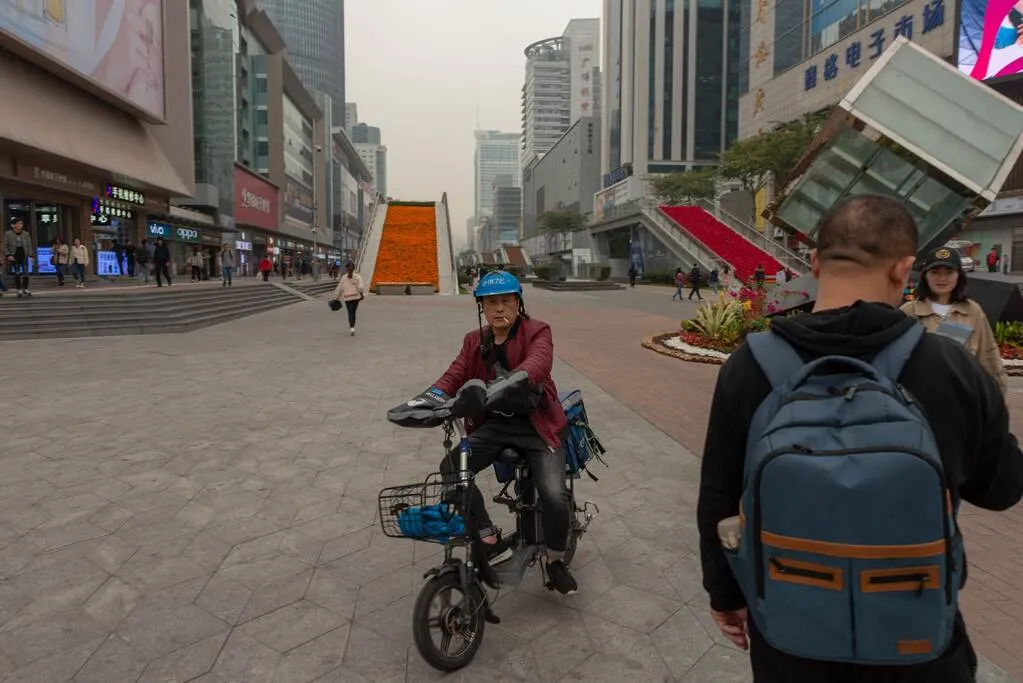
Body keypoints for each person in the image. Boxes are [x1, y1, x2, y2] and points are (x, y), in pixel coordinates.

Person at [697, 195, 1023, 683]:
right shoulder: (949, 367)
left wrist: (725, 596)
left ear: (815, 261)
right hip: (917, 636)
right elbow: (1001, 490)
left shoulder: (751, 366)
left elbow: (718, 497)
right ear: (904, 269)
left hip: (790, 633)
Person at [429, 271, 577, 595]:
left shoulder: (538, 331)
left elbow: (537, 364)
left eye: (506, 301)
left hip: (538, 426)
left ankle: (554, 560)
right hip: (495, 425)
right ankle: (487, 533)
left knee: (553, 495)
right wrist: (429, 398)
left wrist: (503, 384)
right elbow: (453, 375)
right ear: (481, 306)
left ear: (518, 302)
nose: (499, 309)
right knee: (452, 468)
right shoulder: (474, 340)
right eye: (491, 302)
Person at [901, 246, 1008, 396]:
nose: (942, 279)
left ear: (959, 275)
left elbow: (989, 358)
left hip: (964, 400)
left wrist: (997, 402)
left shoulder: (972, 311)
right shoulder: (908, 312)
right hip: (920, 401)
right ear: (925, 276)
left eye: (949, 272)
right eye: (935, 272)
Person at [330, 262, 366, 335]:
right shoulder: (358, 277)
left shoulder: (344, 277)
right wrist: (360, 291)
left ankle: (351, 328)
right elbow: (361, 287)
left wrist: (335, 297)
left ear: (347, 269)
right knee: (353, 312)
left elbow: (339, 288)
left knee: (350, 312)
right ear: (354, 268)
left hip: (347, 297)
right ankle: (353, 327)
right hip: (356, 297)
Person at [4, 217, 32, 297]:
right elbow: (5, 245)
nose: (21, 225)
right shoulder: (8, 234)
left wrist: (31, 255)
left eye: (21, 224)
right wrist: (8, 255)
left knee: (26, 272)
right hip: (14, 255)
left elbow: (29, 245)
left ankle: (25, 288)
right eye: (19, 223)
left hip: (24, 254)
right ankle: (19, 289)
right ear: (14, 225)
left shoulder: (26, 234)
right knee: (17, 272)